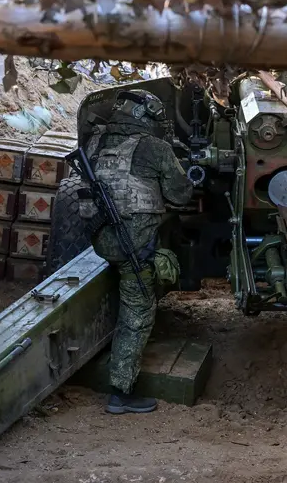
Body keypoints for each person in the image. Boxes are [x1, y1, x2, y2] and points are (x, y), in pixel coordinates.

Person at [78, 89, 193, 415]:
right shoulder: (155, 148)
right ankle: (121, 392)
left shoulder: (94, 144)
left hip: (101, 242)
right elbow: (181, 196)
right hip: (133, 250)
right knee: (137, 315)